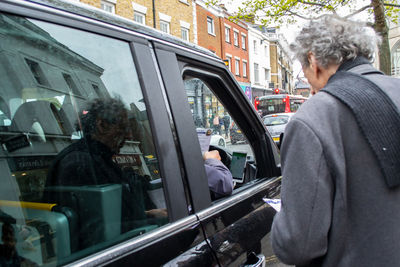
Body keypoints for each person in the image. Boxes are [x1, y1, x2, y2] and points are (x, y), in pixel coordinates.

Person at [271, 15, 400, 267]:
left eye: (304, 70)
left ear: (313, 59)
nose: (308, 84)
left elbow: (298, 245)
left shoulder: (314, 117)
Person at [45, 98, 165, 249]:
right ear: (102, 125)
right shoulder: (80, 164)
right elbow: (96, 233)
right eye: (124, 128)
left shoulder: (96, 159)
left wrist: (148, 214)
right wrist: (153, 222)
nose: (129, 136)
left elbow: (111, 216)